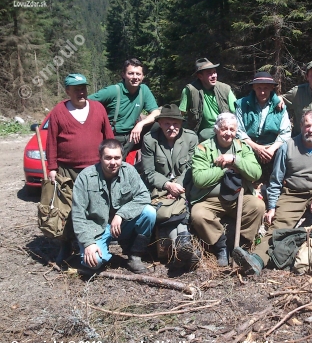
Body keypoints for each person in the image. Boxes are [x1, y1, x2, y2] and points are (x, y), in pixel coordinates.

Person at [232, 110, 312, 276]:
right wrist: (271, 207)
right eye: (307, 125)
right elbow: (276, 180)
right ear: (301, 126)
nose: (311, 130)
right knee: (277, 229)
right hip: (293, 194)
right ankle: (257, 260)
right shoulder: (288, 147)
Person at [46, 73, 114, 265]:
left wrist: (113, 160)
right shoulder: (58, 112)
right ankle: (66, 244)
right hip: (67, 170)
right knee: (67, 209)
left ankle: (97, 239)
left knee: (96, 206)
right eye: (76, 89)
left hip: (95, 168)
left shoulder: (98, 108)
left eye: (83, 88)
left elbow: (108, 136)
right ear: (67, 91)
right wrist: (52, 168)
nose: (81, 92)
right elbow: (51, 142)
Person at [189, 113, 264, 266]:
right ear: (216, 129)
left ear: (236, 131)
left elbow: (256, 173)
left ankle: (242, 246)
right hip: (210, 199)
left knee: (258, 206)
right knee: (198, 214)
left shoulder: (243, 147)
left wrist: (235, 160)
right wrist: (224, 169)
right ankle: (220, 246)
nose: (228, 133)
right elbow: (199, 179)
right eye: (224, 129)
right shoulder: (203, 148)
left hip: (239, 197)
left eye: (232, 129)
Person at [72, 139, 156, 273]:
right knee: (94, 263)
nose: (113, 162)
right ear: (100, 157)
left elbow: (144, 196)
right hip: (96, 228)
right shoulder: (85, 177)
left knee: (149, 212)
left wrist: (121, 214)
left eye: (117, 158)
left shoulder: (129, 171)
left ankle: (135, 255)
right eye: (108, 158)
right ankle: (91, 248)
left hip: (122, 226)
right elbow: (78, 215)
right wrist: (88, 243)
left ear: (122, 157)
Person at [141, 104, 199, 268]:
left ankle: (179, 249)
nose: (171, 127)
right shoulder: (150, 140)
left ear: (181, 124)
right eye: (167, 123)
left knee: (180, 203)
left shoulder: (191, 138)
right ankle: (183, 245)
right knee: (170, 208)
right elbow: (149, 172)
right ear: (160, 123)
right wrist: (168, 185)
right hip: (160, 188)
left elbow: (192, 167)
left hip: (185, 185)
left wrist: (177, 186)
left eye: (175, 123)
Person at [89, 58, 160, 159]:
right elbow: (86, 102)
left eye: (138, 74)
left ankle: (147, 161)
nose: (135, 77)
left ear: (143, 76)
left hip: (132, 135)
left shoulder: (143, 90)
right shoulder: (113, 91)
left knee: (158, 125)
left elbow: (156, 112)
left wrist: (140, 124)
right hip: (113, 135)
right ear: (123, 74)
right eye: (131, 73)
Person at [235, 72, 291, 178]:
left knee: (286, 149)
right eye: (259, 88)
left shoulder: (280, 106)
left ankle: (277, 182)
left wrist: (271, 149)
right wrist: (257, 148)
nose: (262, 92)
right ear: (254, 88)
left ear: (271, 88)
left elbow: (286, 133)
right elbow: (239, 131)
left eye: (265, 88)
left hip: (271, 146)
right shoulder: (242, 104)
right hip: (248, 145)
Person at [179, 58, 237, 141]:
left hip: (225, 129)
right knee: (205, 134)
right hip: (200, 133)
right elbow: (180, 114)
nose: (214, 76)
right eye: (209, 73)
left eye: (214, 72)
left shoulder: (225, 89)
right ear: (200, 76)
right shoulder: (190, 90)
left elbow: (237, 111)